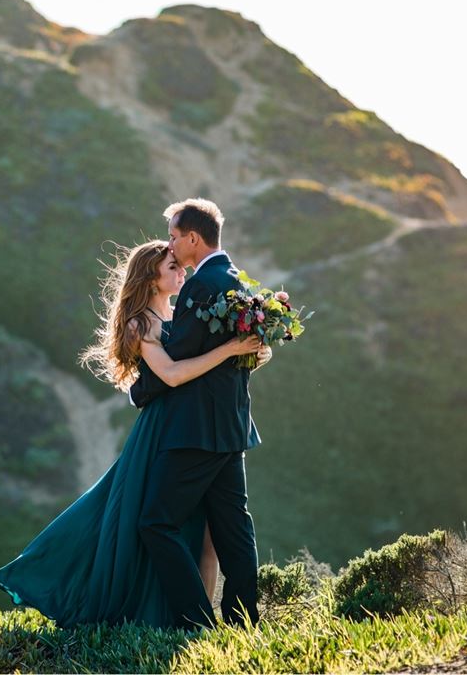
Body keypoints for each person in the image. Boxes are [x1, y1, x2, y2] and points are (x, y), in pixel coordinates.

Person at [0, 239, 268, 629]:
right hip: (163, 431)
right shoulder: (141, 324)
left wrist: (252, 352)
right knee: (134, 516)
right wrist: (229, 350)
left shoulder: (184, 314)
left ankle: (205, 622)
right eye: (172, 267)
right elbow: (171, 374)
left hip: (197, 427)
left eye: (179, 265)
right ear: (151, 278)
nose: (181, 271)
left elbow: (208, 369)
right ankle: (190, 620)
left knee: (206, 531)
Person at [131, 198, 268, 632]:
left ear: (193, 238)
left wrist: (141, 388)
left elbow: (178, 355)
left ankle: (195, 621)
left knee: (155, 522)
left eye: (174, 237)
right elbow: (236, 355)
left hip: (196, 430)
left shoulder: (201, 286)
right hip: (232, 426)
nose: (171, 245)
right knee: (233, 528)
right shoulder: (238, 282)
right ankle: (244, 623)